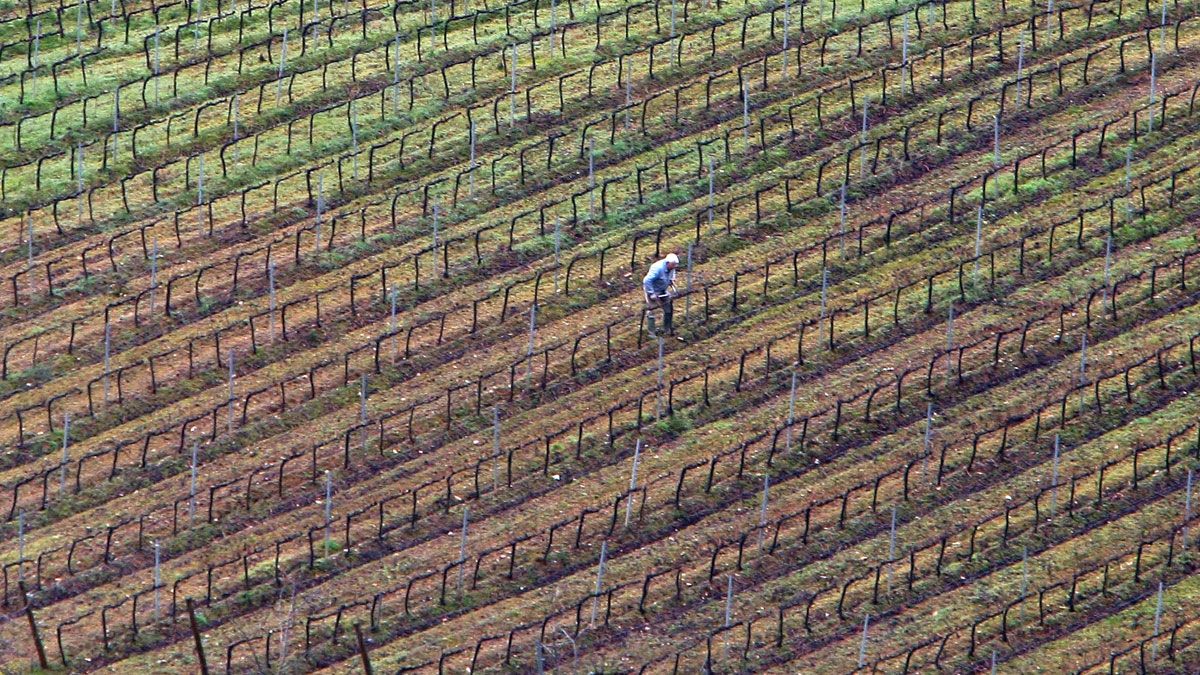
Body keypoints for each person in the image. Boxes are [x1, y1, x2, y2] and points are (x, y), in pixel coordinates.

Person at [643, 253, 679, 336]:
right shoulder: (657, 268)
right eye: (673, 265)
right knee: (652, 310)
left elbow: (672, 274)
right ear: (667, 263)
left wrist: (671, 280)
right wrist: (651, 293)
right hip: (653, 289)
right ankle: (651, 333)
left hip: (662, 289)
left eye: (675, 265)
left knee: (668, 307)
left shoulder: (672, 267)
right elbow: (646, 281)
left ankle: (667, 329)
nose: (675, 267)